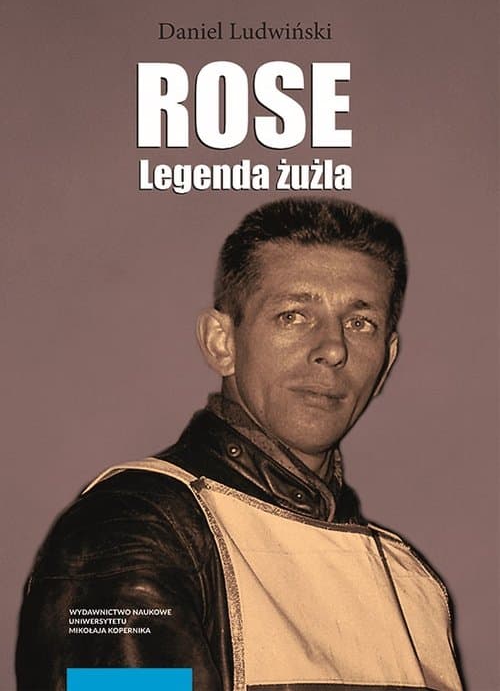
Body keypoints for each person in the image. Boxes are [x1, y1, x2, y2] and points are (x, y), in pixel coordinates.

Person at [16, 198, 463, 691]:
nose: (333, 349)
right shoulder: (132, 533)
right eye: (293, 316)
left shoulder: (411, 580)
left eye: (361, 324)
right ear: (221, 342)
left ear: (387, 360)